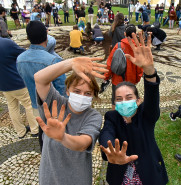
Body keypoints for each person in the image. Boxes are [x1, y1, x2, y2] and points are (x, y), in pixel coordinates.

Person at [99, 31, 168, 185]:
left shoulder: (146, 115)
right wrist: (110, 151)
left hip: (149, 175)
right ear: (115, 104)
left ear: (138, 100)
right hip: (120, 177)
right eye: (119, 99)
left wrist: (149, 72)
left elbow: (152, 100)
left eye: (129, 97)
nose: (124, 102)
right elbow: (106, 134)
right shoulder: (112, 117)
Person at [34, 56, 108, 184]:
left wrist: (63, 138)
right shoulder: (55, 103)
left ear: (93, 96)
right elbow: (39, 79)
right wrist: (71, 63)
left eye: (88, 93)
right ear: (67, 90)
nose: (81, 96)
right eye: (77, 91)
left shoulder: (93, 116)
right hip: (49, 178)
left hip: (78, 179)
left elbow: (84, 143)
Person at [17, 21, 66, 118]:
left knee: (42, 129)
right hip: (54, 108)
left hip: (36, 105)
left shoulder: (20, 59)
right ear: (46, 36)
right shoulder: (54, 60)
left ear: (27, 38)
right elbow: (62, 88)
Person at [0, 37, 39, 139]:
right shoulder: (6, 43)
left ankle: (20, 131)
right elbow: (23, 53)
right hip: (17, 82)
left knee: (12, 107)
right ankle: (35, 129)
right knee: (29, 104)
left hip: (3, 84)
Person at [103, 24, 143, 109]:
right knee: (130, 99)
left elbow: (110, 64)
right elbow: (140, 67)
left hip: (117, 79)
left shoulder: (118, 45)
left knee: (115, 99)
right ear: (135, 34)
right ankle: (129, 116)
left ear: (124, 34)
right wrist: (137, 79)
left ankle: (115, 117)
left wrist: (106, 77)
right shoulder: (139, 47)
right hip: (131, 80)